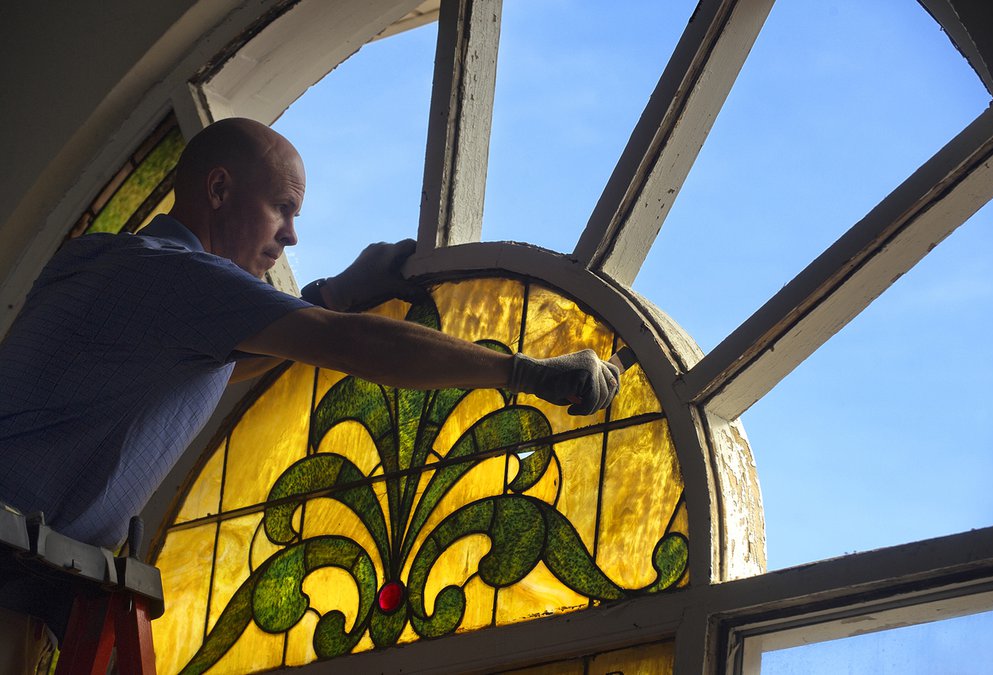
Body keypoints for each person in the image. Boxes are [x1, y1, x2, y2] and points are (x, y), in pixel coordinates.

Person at [0, 118, 619, 671]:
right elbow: (346, 344)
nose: (291, 236)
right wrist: (527, 375)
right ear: (218, 191)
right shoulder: (175, 273)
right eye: (282, 209)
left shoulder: (116, 267)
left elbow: (220, 361)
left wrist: (331, 292)